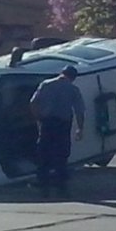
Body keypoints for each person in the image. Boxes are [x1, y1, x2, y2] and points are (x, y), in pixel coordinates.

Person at [29, 65, 85, 198]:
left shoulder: (46, 84)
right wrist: (80, 128)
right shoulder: (73, 89)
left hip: (47, 123)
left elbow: (32, 102)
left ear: (61, 72)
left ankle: (43, 185)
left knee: (44, 153)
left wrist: (38, 118)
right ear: (73, 78)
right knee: (62, 154)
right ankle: (61, 187)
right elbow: (79, 111)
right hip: (63, 124)